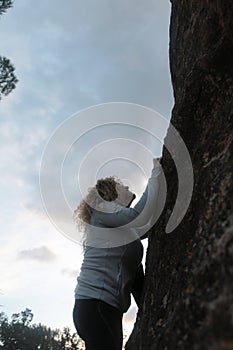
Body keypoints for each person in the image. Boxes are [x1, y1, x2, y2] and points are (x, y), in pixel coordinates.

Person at [73, 157, 162, 350]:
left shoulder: (121, 229)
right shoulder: (101, 211)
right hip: (95, 305)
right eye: (122, 186)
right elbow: (140, 215)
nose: (128, 188)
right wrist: (157, 173)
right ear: (109, 193)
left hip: (105, 309)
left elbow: (147, 227)